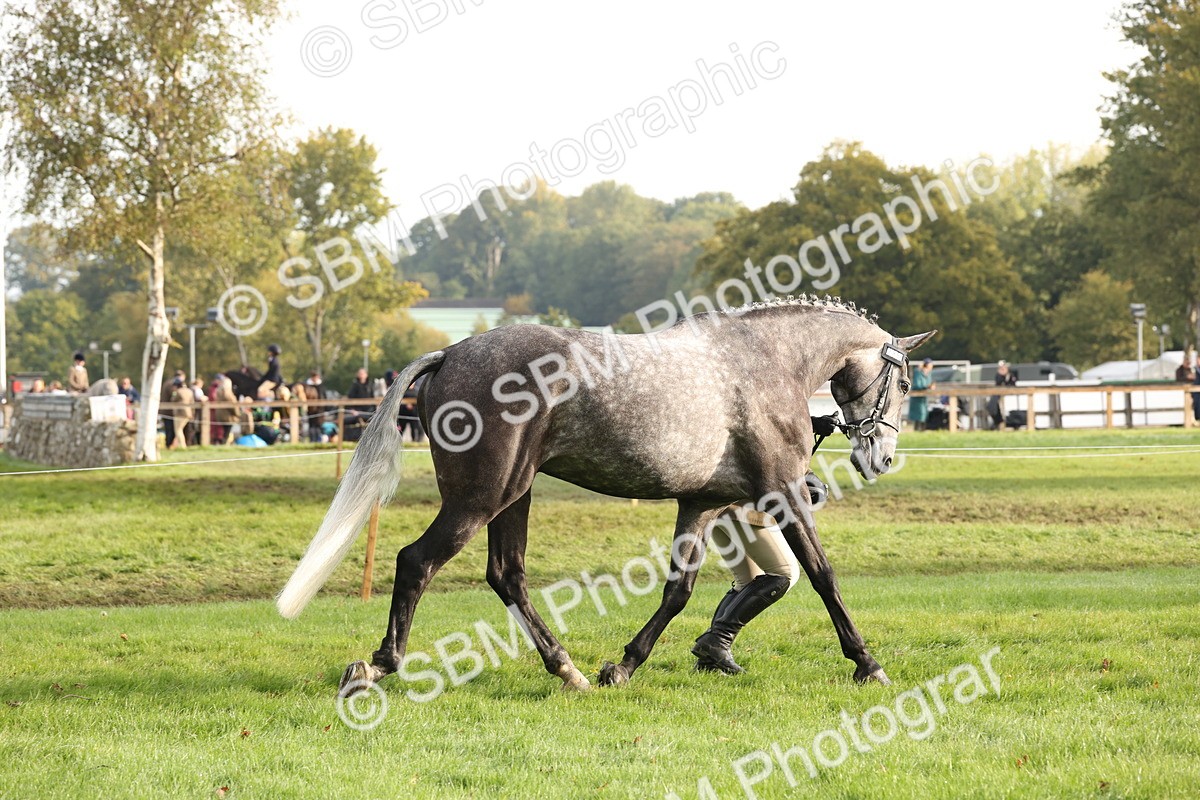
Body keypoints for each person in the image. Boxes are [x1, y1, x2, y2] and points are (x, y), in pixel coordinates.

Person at [692, 508, 798, 674]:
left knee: (748, 579)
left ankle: (709, 660)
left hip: (714, 506)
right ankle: (718, 640)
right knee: (784, 573)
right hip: (739, 504)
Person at [907, 358, 934, 431]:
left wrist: (930, 386)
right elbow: (917, 385)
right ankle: (917, 430)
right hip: (917, 396)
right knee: (918, 414)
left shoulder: (928, 373)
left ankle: (922, 430)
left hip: (924, 396)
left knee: (924, 413)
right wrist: (927, 386)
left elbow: (928, 383)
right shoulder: (918, 372)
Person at [989, 360, 1017, 429]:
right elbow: (998, 383)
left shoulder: (1011, 375)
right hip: (998, 394)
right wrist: (1001, 375)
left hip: (1009, 394)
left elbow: (1013, 384)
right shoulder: (998, 375)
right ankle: (998, 422)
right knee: (992, 406)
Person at [168, 376, 194, 449]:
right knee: (180, 429)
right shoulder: (189, 391)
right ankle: (177, 445)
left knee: (178, 430)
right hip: (188, 412)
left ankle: (183, 446)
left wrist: (173, 393)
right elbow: (192, 402)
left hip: (179, 413)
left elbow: (172, 399)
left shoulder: (177, 392)